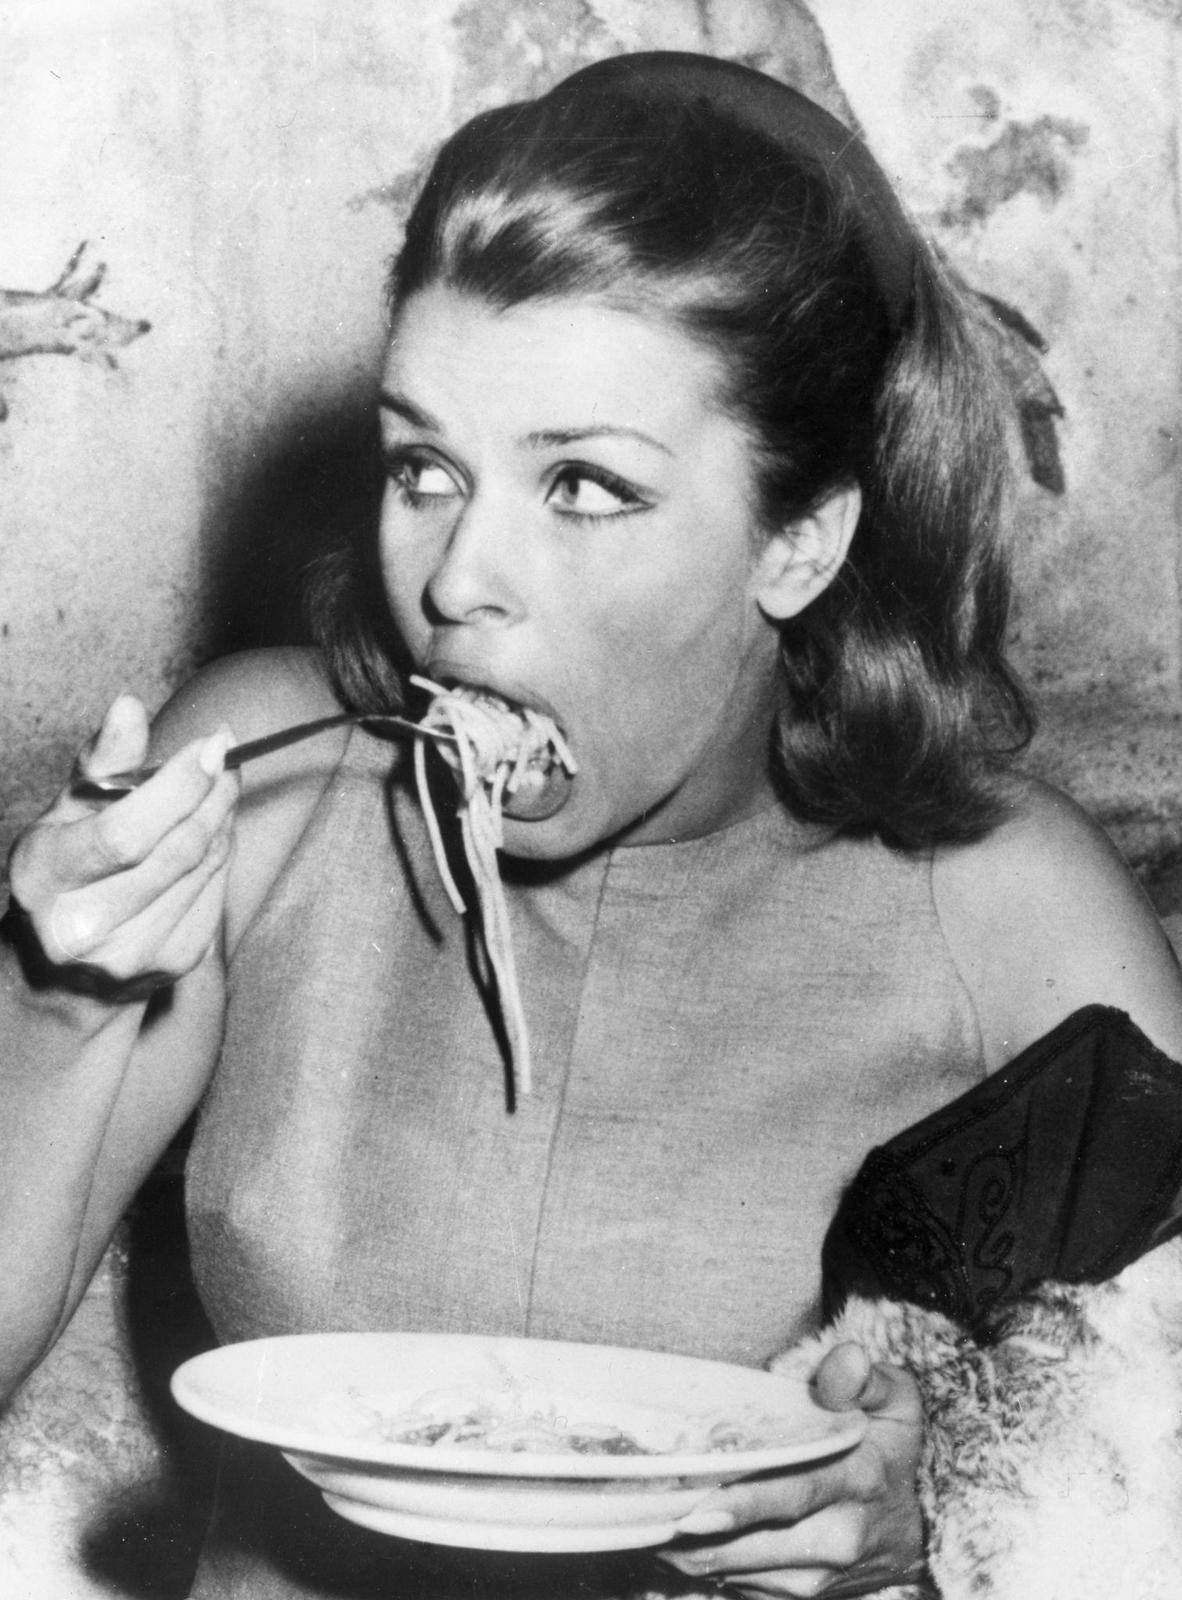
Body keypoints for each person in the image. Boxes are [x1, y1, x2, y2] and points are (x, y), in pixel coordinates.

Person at [3, 49, 1182, 1600]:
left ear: (798, 541)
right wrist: (60, 995)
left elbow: (1147, 1446)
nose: (452, 581)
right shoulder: (262, 786)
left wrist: (964, 1497)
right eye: (424, 464)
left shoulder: (999, 903)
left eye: (582, 486)